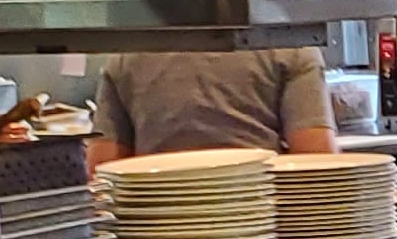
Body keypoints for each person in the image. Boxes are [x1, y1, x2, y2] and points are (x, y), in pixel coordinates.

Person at [86, 48, 338, 165]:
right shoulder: (291, 48)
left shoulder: (123, 57)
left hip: (160, 236)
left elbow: (103, 172)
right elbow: (317, 163)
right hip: (261, 228)